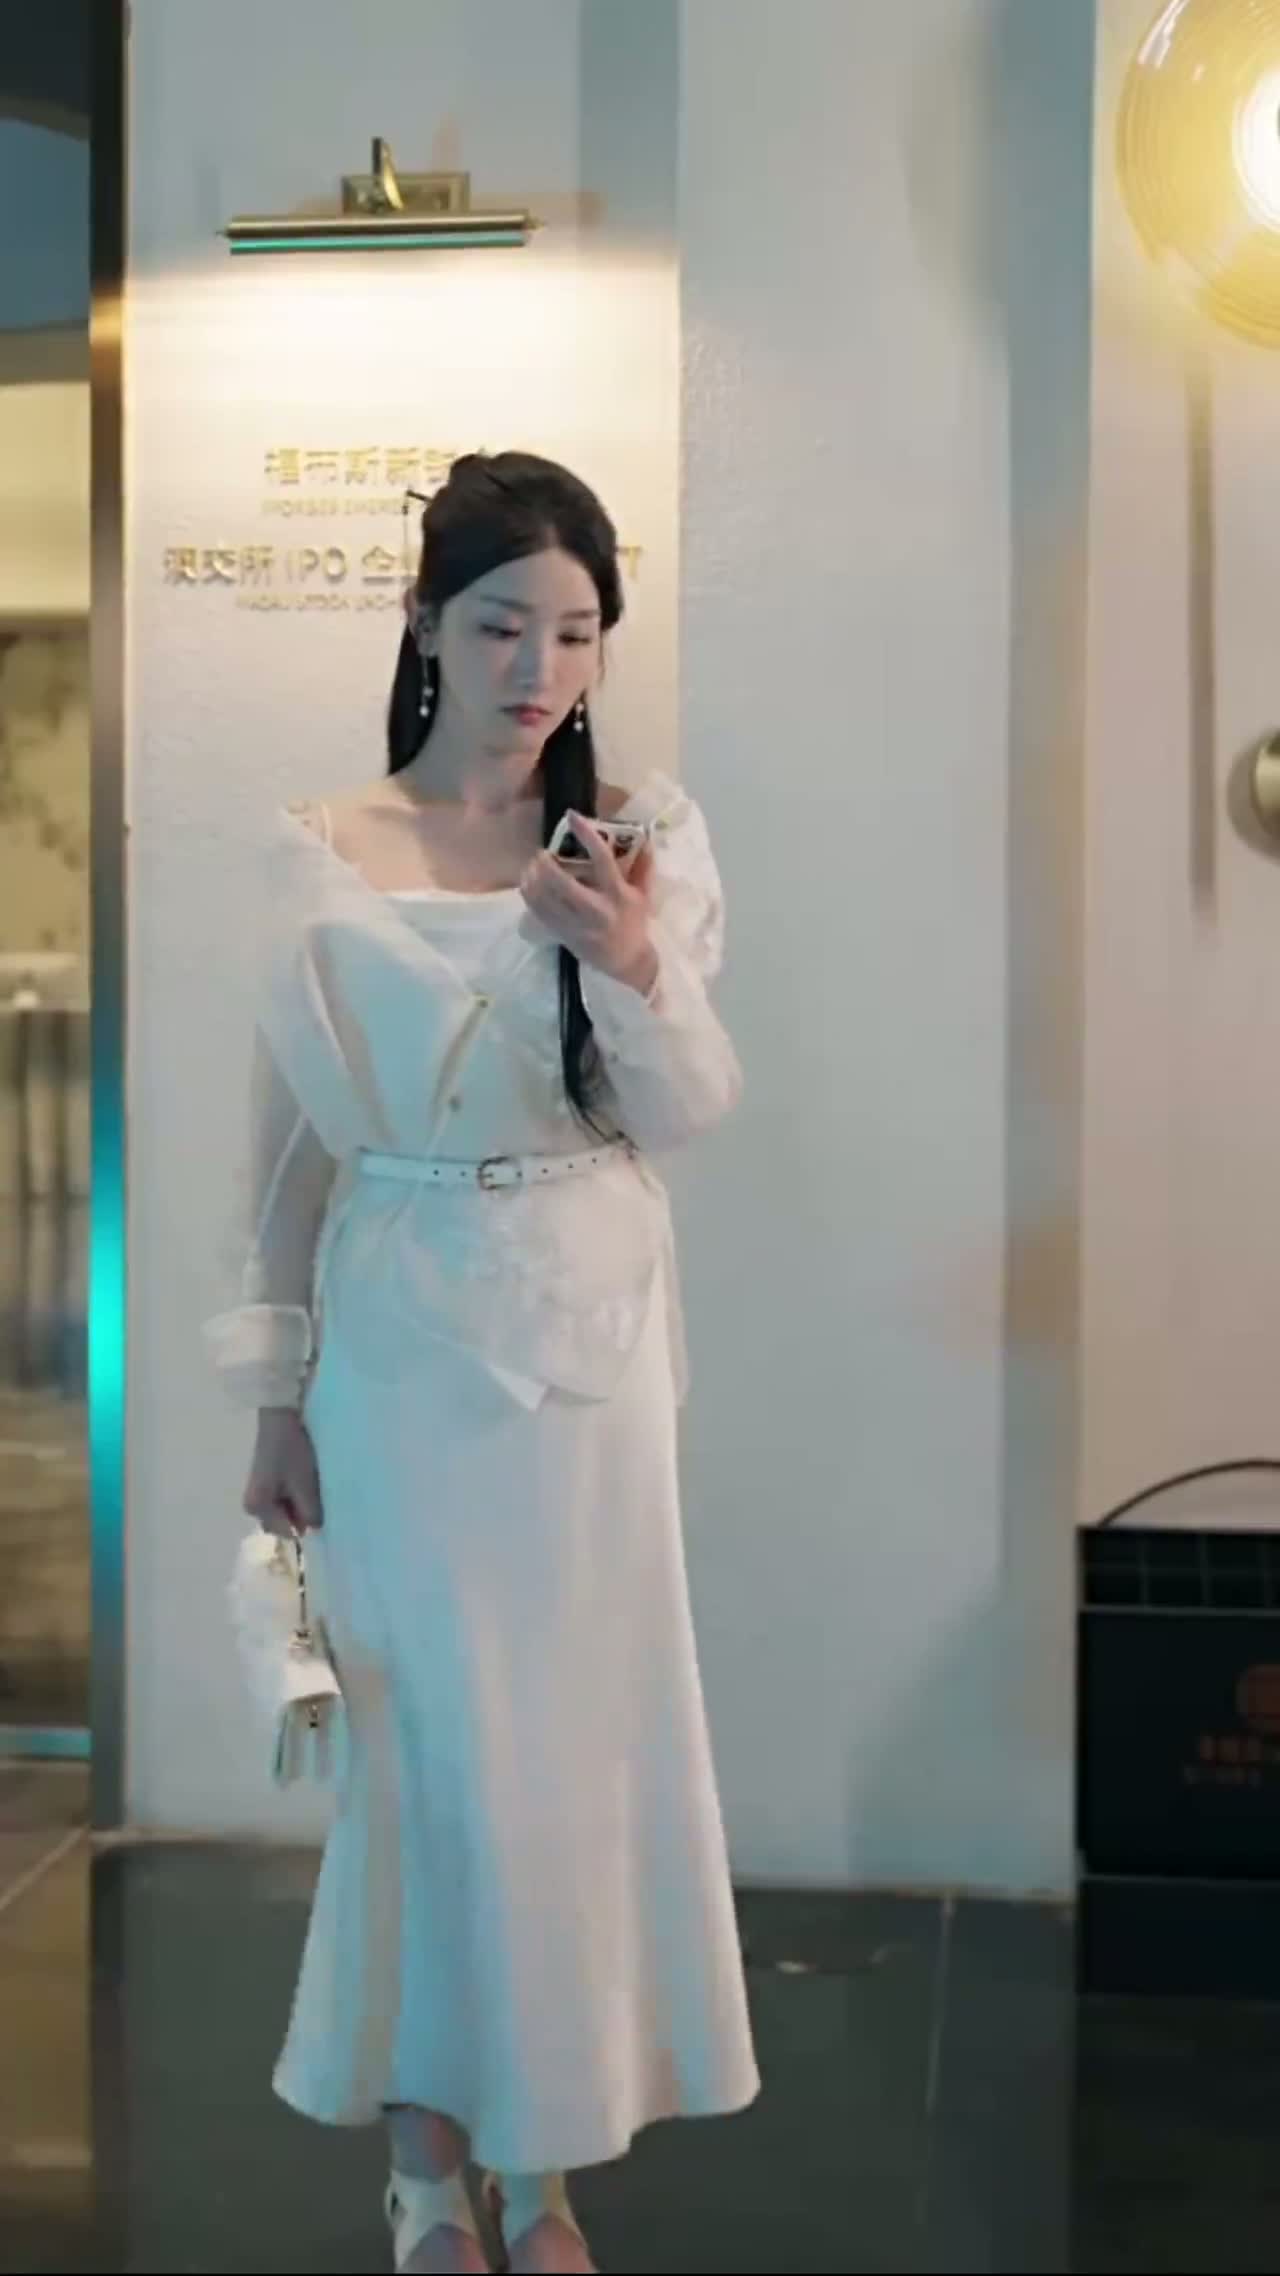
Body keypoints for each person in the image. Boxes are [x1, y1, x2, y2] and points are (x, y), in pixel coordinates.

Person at [204, 451, 759, 2275]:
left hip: (593, 1362)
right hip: (400, 1357)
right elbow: (288, 1147)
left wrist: (634, 965)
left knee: (575, 1755)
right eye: (507, 625)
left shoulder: (638, 839)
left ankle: (547, 2170)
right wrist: (272, 1392)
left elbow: (690, 1110)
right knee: (426, 1755)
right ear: (427, 625)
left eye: (579, 633)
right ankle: (427, 2167)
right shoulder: (316, 852)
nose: (542, 670)